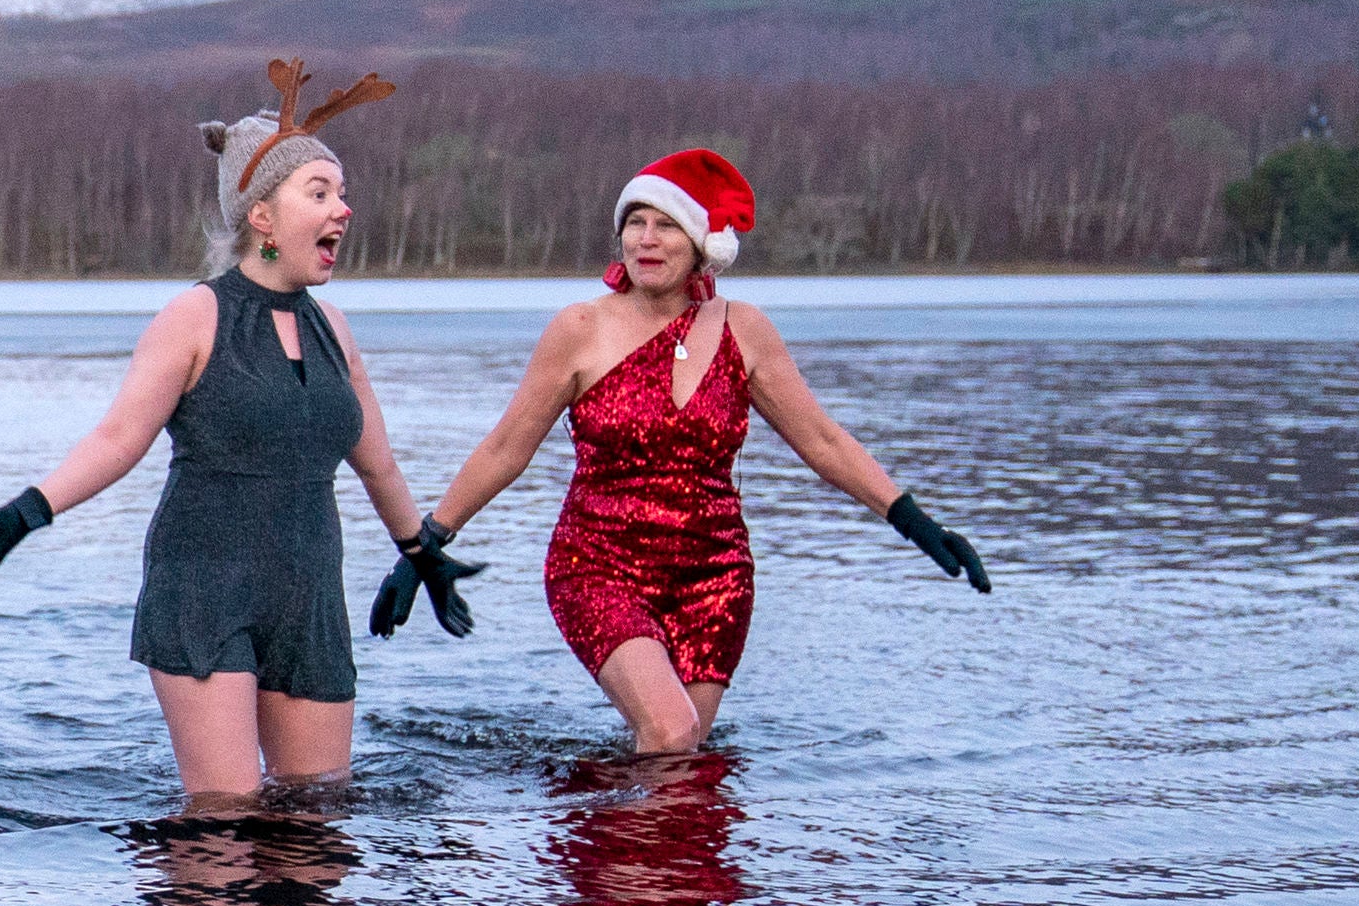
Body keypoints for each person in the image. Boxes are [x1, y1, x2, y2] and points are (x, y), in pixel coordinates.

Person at [373, 148, 994, 755]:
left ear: (701, 243)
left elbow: (823, 441)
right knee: (670, 732)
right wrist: (420, 550)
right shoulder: (579, 330)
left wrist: (914, 521)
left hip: (715, 574)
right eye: (634, 224)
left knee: (680, 758)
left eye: (665, 225)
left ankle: (626, 856)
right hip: (598, 565)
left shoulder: (744, 329)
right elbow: (505, 450)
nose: (646, 239)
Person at [0, 62, 432, 800]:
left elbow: (378, 463)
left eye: (343, 193)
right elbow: (118, 440)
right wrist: (25, 512)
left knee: (316, 823)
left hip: (309, 599)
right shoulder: (194, 318)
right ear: (261, 216)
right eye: (320, 193)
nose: (344, 210)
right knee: (224, 820)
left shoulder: (335, 330)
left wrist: (421, 554)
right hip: (204, 588)